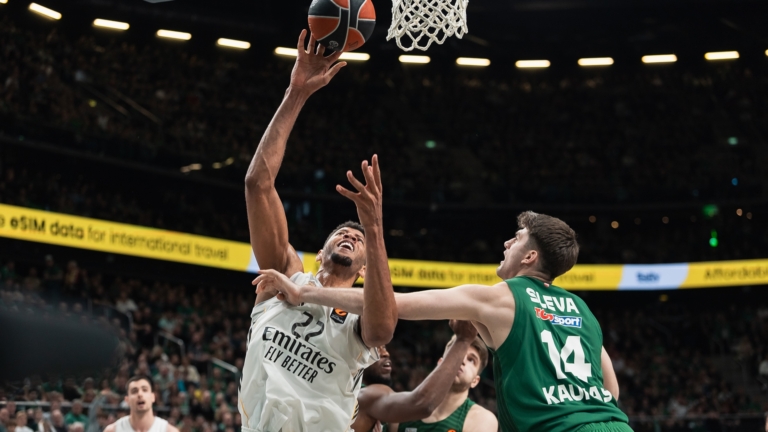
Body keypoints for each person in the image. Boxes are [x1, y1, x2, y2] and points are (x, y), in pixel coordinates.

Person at [255, 211, 632, 432]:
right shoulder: (583, 310)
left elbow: (392, 303)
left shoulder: (500, 296)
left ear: (530, 256)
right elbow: (610, 391)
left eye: (516, 240)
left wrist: (304, 293)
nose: (506, 244)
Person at [238, 29, 398, 432]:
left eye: (358, 240)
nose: (351, 236)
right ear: (320, 251)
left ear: (364, 270)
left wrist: (373, 227)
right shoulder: (284, 276)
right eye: (342, 234)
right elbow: (258, 184)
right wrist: (297, 93)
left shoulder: (364, 312)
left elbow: (382, 327)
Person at [351, 320, 496, 432]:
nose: (462, 360)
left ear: (475, 381)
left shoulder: (482, 419)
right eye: (455, 353)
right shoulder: (401, 406)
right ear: (441, 363)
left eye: (471, 360)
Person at [103, 376, 179, 432]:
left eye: (144, 390)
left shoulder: (168, 430)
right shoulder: (113, 430)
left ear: (153, 397)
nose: (140, 394)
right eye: (134, 391)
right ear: (127, 400)